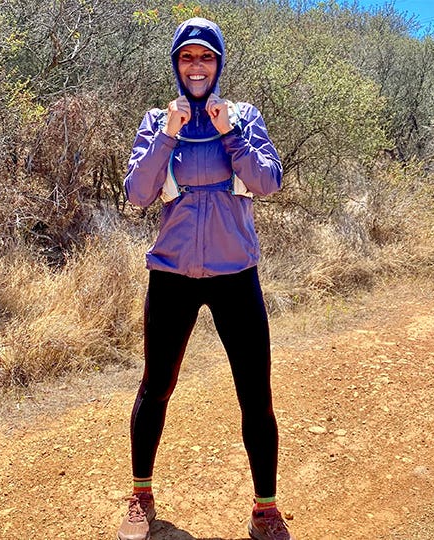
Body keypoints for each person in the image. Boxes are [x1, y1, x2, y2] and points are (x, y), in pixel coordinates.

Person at [117, 17, 294, 540]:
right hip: (172, 273)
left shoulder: (243, 117)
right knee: (156, 386)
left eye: (206, 58)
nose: (197, 67)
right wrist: (168, 135)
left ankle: (265, 507)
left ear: (218, 65)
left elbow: (267, 181)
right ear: (176, 65)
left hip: (235, 274)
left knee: (255, 393)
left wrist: (228, 132)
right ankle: (141, 496)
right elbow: (137, 194)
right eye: (187, 58)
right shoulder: (157, 119)